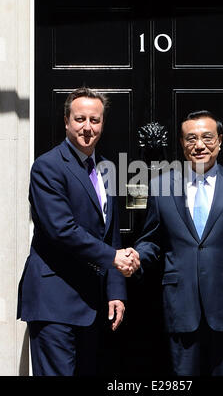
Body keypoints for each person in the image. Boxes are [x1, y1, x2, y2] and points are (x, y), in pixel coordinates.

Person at [130, 110, 223, 376]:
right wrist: (134, 256)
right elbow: (152, 241)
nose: (200, 145)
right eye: (191, 138)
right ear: (182, 144)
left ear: (220, 140)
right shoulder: (161, 186)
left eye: (207, 137)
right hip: (181, 307)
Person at [17, 87, 139, 376]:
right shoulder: (47, 167)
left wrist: (116, 291)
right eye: (80, 119)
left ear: (102, 124)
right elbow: (62, 230)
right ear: (66, 121)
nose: (87, 127)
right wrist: (115, 257)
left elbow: (110, 234)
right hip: (54, 301)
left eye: (94, 120)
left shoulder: (107, 168)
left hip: (92, 304)